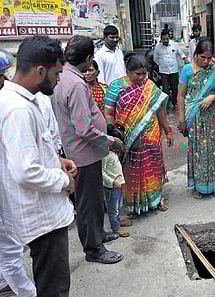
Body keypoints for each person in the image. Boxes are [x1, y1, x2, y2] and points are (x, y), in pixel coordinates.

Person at [0, 35, 76, 297]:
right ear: (40, 71)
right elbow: (25, 171)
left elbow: (20, 152)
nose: (60, 79)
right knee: (54, 288)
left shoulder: (14, 101)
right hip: (42, 218)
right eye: (57, 73)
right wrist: (64, 181)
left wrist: (56, 160)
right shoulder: (16, 109)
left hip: (39, 213)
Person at [52, 35, 124, 264]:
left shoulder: (62, 77)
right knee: (88, 202)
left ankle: (98, 235)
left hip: (79, 151)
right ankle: (94, 249)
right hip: (84, 153)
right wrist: (110, 141)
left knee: (92, 200)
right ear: (88, 58)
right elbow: (84, 128)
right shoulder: (75, 84)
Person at [104, 53, 174, 216]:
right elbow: (108, 112)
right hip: (127, 137)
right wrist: (112, 130)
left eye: (144, 73)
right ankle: (133, 204)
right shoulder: (116, 86)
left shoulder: (150, 86)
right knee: (131, 169)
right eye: (137, 74)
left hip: (151, 135)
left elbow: (160, 110)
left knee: (154, 167)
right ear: (128, 71)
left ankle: (156, 199)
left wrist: (168, 131)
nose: (141, 77)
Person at [0, 45, 35, 297]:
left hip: (2, 192)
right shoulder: (1, 108)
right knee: (9, 252)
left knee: (8, 247)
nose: (4, 81)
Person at [177, 38, 215, 199]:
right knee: (197, 151)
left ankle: (212, 184)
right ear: (196, 55)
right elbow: (181, 95)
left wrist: (211, 98)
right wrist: (182, 118)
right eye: (202, 57)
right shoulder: (187, 70)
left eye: (208, 57)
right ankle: (199, 186)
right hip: (194, 117)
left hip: (211, 117)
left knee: (212, 150)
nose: (205, 61)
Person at [102, 125, 129, 237]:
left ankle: (118, 221)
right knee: (113, 208)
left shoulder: (113, 154)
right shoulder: (104, 155)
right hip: (111, 186)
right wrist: (111, 182)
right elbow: (101, 172)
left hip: (118, 184)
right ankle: (116, 227)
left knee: (119, 204)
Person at [154, 29, 189, 111]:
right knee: (165, 89)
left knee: (174, 88)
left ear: (169, 38)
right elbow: (155, 59)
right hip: (163, 71)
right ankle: (166, 106)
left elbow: (180, 53)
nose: (165, 41)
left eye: (167, 39)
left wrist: (184, 58)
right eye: (164, 39)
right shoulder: (158, 47)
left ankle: (174, 103)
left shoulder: (174, 45)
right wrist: (162, 64)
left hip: (174, 70)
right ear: (161, 38)